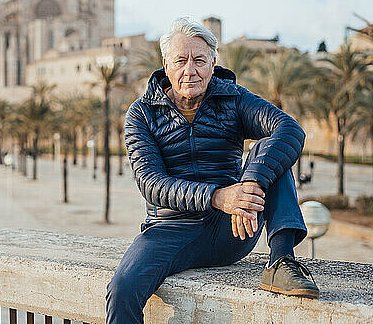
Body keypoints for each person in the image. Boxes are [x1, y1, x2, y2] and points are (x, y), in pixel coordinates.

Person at [106, 18, 318, 324]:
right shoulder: (141, 114)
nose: (189, 70)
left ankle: (281, 260)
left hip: (232, 228)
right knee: (121, 289)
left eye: (199, 60)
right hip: (168, 230)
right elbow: (152, 184)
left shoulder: (233, 98)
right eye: (180, 61)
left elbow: (290, 129)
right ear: (166, 65)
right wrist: (218, 197)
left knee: (270, 152)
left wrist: (249, 182)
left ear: (213, 62)